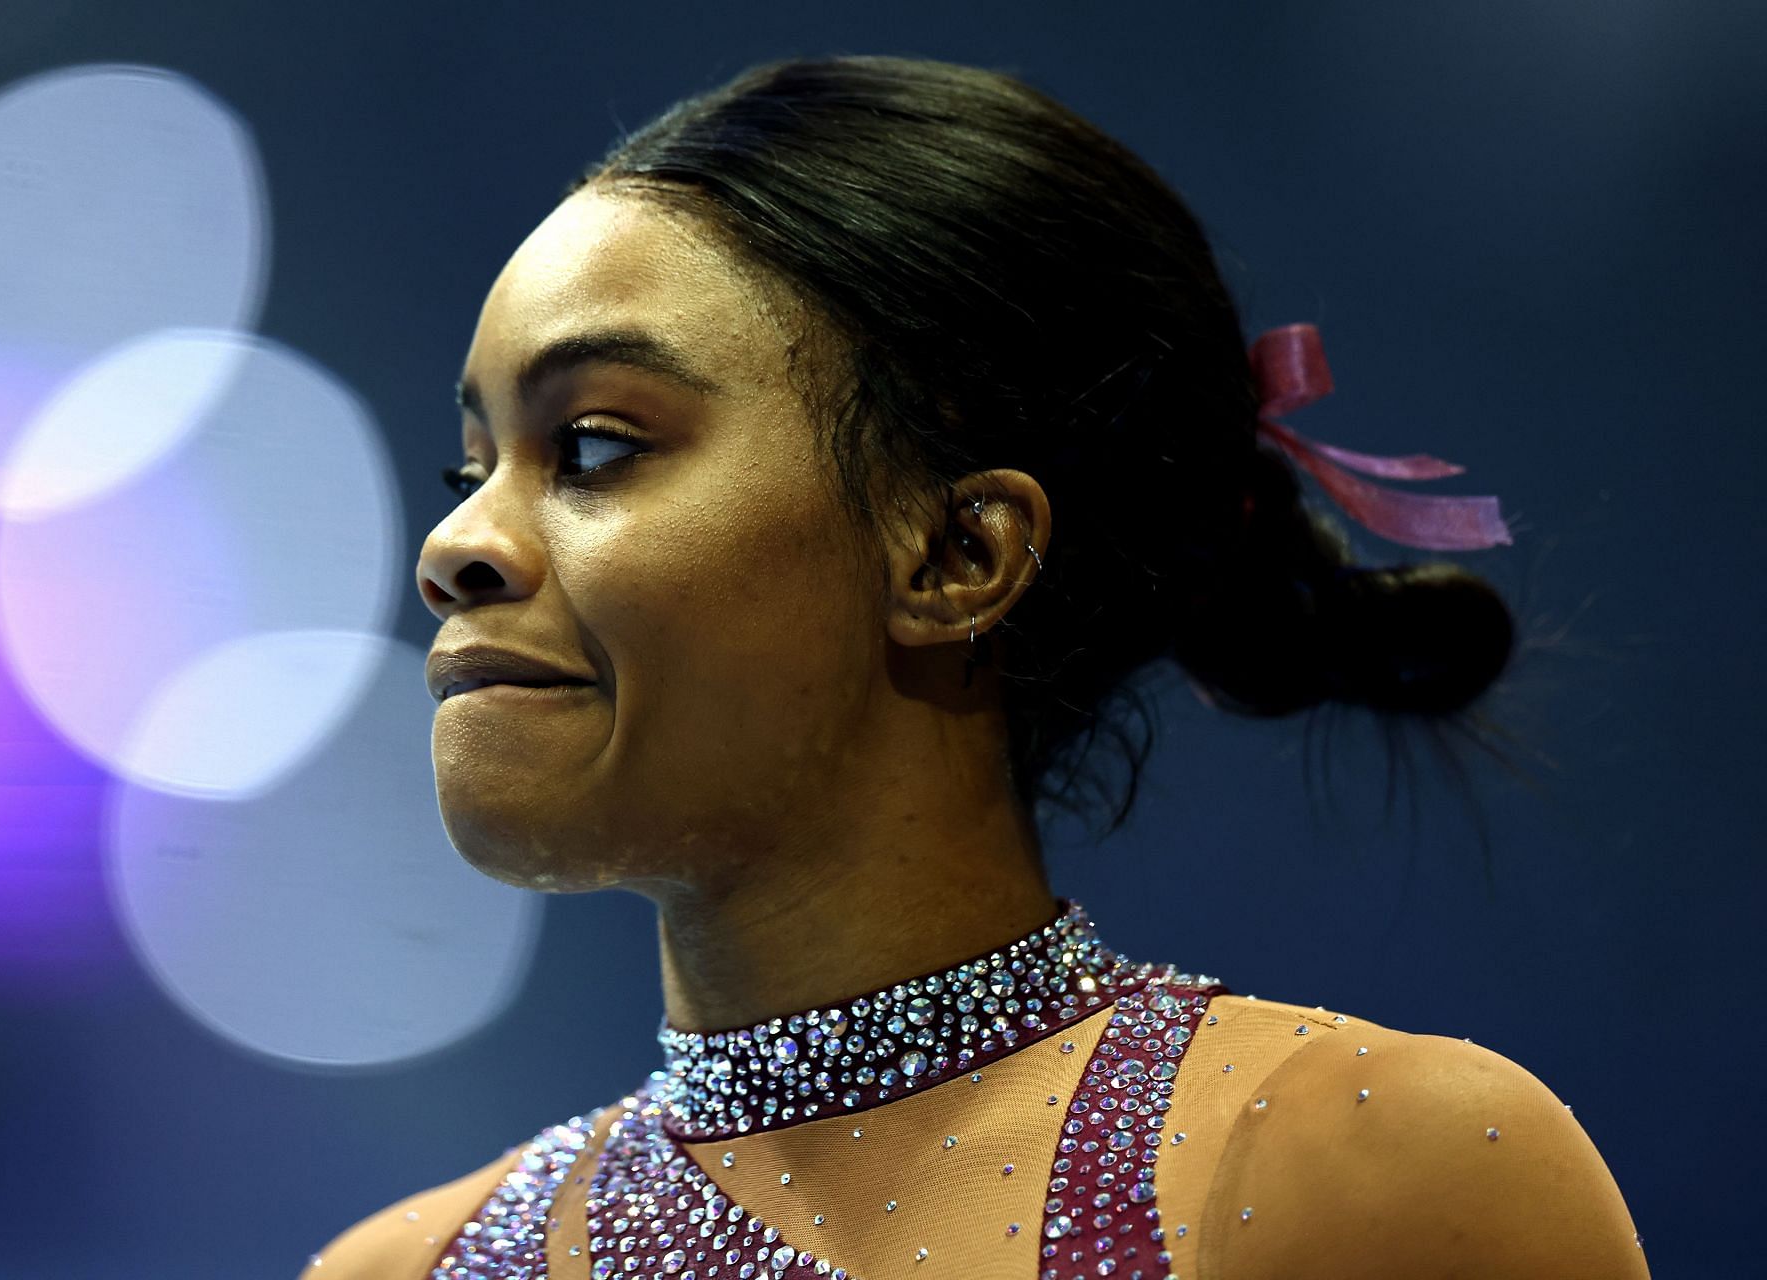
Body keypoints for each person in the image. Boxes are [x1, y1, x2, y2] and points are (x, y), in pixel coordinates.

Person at [305, 54, 1647, 1280]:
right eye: (471, 467)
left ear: (957, 553)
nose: (453, 546)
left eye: (594, 446)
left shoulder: (1356, 1176)